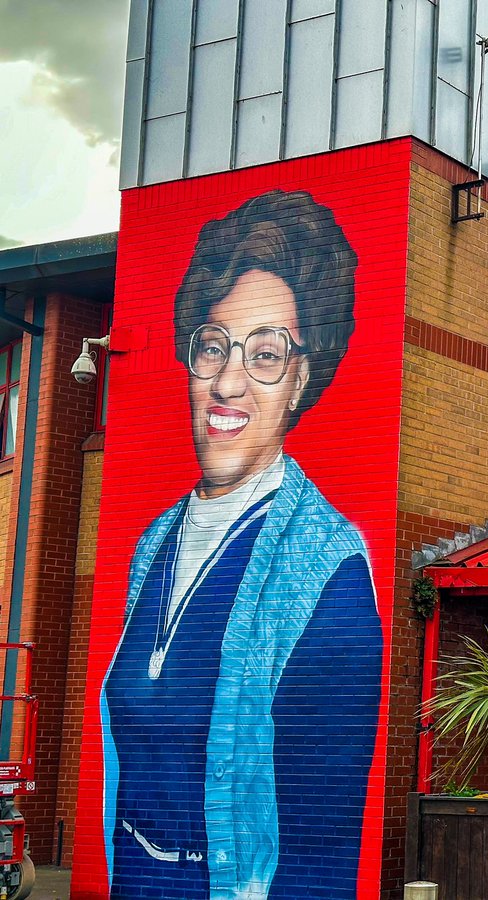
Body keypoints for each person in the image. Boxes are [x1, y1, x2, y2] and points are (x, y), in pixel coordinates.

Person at [100, 190, 383, 900]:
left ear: (299, 382)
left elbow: (322, 849)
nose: (228, 382)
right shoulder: (151, 546)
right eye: (214, 347)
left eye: (265, 356)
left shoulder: (329, 571)